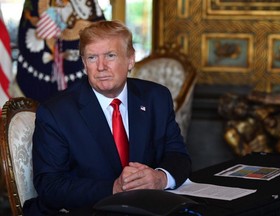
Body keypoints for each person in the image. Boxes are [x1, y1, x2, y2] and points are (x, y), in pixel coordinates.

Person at [23, 20, 191, 215]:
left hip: (145, 208)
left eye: (110, 56)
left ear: (130, 59)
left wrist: (160, 178)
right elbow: (50, 187)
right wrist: (113, 188)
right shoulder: (57, 112)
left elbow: (179, 156)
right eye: (92, 57)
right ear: (84, 64)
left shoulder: (156, 98)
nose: (101, 67)